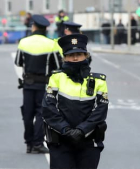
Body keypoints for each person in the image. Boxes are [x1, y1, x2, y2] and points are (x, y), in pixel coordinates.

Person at [42, 34, 109, 169]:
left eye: (79, 54)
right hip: (61, 141)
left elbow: (100, 111)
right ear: (64, 58)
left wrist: (81, 130)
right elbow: (48, 108)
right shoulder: (56, 78)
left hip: (88, 141)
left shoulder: (98, 81)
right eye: (71, 55)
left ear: (86, 56)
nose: (75, 57)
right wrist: (66, 130)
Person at [14, 15, 62, 154]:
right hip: (43, 85)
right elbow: (58, 65)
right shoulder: (51, 44)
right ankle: (37, 143)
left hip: (28, 84)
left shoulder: (23, 42)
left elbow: (18, 62)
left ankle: (28, 143)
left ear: (34, 27)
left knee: (27, 114)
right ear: (45, 28)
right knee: (42, 114)